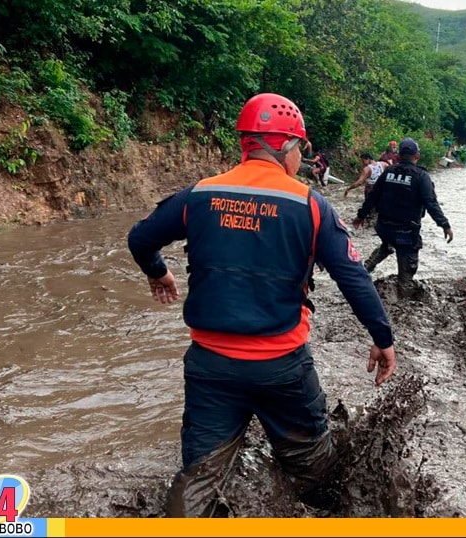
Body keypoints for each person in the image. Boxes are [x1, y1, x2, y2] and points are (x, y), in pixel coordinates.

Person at [126, 93, 397, 517]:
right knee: (315, 473)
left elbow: (140, 238)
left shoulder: (199, 196)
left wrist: (158, 271)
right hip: (281, 368)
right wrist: (383, 338)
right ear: (289, 147)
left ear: (245, 144)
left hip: (211, 367)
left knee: (197, 480)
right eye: (300, 151)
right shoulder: (310, 206)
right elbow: (353, 278)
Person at [353, 138, 453, 296]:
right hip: (406, 233)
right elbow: (431, 203)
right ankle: (404, 301)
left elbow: (373, 196)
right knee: (406, 279)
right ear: (417, 155)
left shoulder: (388, 172)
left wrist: (360, 216)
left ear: (398, 155)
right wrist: (445, 225)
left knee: (387, 244)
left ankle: (363, 272)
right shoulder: (421, 177)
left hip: (384, 227)